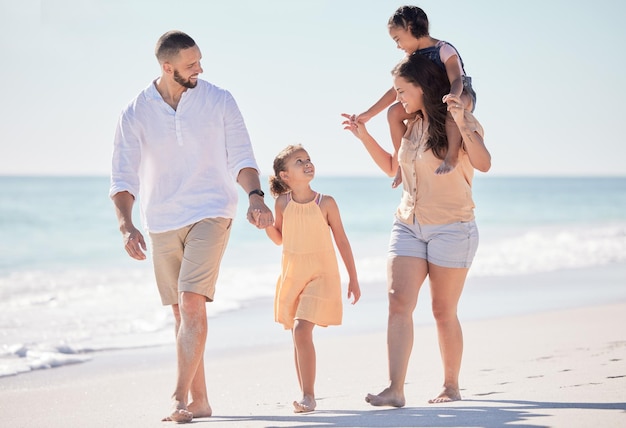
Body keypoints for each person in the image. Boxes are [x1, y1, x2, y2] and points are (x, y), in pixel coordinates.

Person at [109, 30, 273, 423]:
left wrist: (255, 196)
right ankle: (200, 401)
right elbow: (123, 175)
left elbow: (242, 155)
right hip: (162, 218)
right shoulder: (136, 111)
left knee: (192, 301)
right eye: (190, 64)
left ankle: (177, 397)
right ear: (167, 68)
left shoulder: (219, 100)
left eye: (199, 60)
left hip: (212, 210)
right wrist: (126, 226)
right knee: (182, 315)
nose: (199, 68)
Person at [342, 53, 491, 406]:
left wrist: (463, 120)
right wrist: (364, 136)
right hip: (408, 224)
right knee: (398, 303)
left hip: (453, 227)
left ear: (423, 88)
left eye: (402, 91)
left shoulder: (459, 122)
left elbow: (484, 163)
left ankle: (451, 385)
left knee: (442, 310)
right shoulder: (412, 125)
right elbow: (393, 166)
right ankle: (395, 388)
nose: (398, 99)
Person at [262, 144, 361, 413]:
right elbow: (279, 238)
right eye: (299, 161)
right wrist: (265, 225)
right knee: (298, 334)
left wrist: (353, 277)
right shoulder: (282, 203)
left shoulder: (326, 202)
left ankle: (309, 396)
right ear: (285, 176)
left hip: (321, 274)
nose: (307, 163)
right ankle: (305, 393)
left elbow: (341, 240)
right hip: (294, 274)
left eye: (308, 159)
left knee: (301, 330)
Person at [355, 5, 477, 182]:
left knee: (452, 111)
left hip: (460, 93)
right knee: (394, 112)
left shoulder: (443, 50)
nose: (397, 46)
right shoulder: (411, 60)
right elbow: (395, 91)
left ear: (410, 28)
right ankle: (401, 164)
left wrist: (453, 96)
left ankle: (451, 157)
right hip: (431, 100)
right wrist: (369, 114)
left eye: (398, 39)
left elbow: (457, 79)